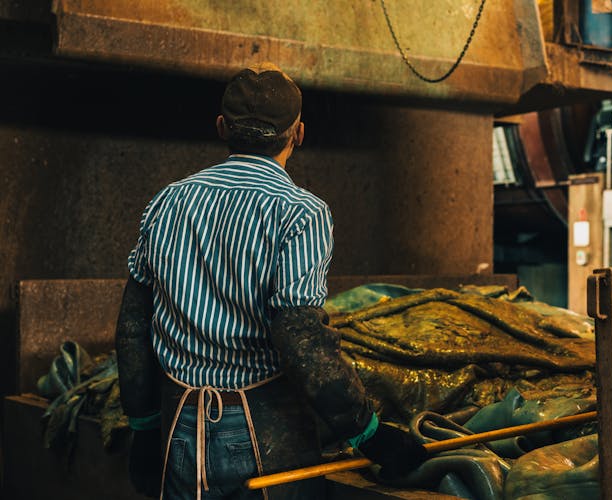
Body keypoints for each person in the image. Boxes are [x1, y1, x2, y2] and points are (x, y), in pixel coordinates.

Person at [115, 63, 427, 500]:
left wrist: (145, 428)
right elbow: (300, 339)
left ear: (222, 127)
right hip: (265, 438)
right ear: (298, 134)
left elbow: (132, 326)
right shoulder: (302, 213)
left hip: (179, 432)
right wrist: (368, 433)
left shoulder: (168, 201)